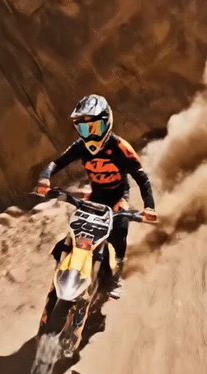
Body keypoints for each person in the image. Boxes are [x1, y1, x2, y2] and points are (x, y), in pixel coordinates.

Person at [35, 94, 157, 299]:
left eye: (95, 128)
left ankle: (115, 277)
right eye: (85, 129)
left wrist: (149, 207)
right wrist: (45, 178)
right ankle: (66, 269)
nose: (90, 135)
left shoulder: (121, 148)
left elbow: (142, 178)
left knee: (119, 233)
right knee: (74, 235)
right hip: (96, 197)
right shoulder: (80, 147)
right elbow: (57, 163)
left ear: (106, 123)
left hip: (118, 198)